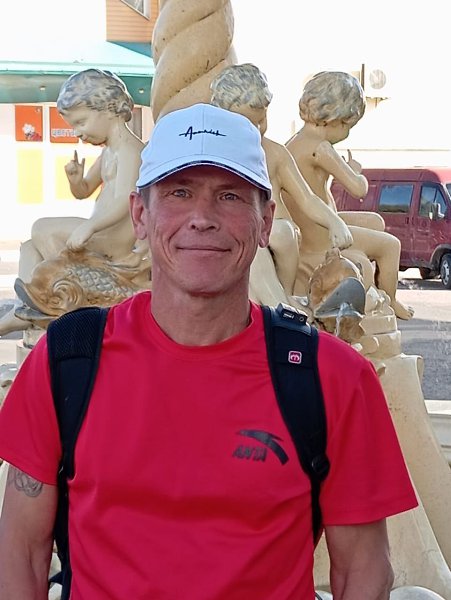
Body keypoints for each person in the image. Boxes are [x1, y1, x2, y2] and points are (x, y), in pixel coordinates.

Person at [0, 103, 418, 599]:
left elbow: (364, 571)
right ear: (140, 214)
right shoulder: (68, 359)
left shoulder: (332, 376)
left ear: (266, 221)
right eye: (179, 193)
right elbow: (20, 554)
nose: (202, 218)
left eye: (230, 196)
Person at [0, 68, 146, 336]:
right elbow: (84, 191)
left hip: (112, 239)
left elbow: (126, 200)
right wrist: (76, 180)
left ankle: (68, 285)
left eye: (81, 122)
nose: (78, 132)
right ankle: (24, 309)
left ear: (108, 108)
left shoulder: (130, 150)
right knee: (30, 248)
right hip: (99, 232)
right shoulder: (108, 152)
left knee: (42, 228)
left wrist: (90, 226)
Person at [210, 63, 353, 306]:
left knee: (279, 232)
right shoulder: (216, 157)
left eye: (261, 120)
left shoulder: (275, 154)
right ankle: (277, 305)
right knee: (251, 242)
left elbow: (307, 198)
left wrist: (333, 221)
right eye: (246, 124)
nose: (257, 130)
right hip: (241, 240)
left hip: (280, 238)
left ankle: (282, 297)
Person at [285, 71, 413, 319]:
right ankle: (391, 300)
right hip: (321, 236)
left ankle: (377, 288)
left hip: (310, 225)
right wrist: (354, 170)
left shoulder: (295, 142)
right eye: (348, 126)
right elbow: (358, 189)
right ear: (336, 120)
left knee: (376, 222)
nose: (347, 132)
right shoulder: (321, 148)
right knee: (390, 245)